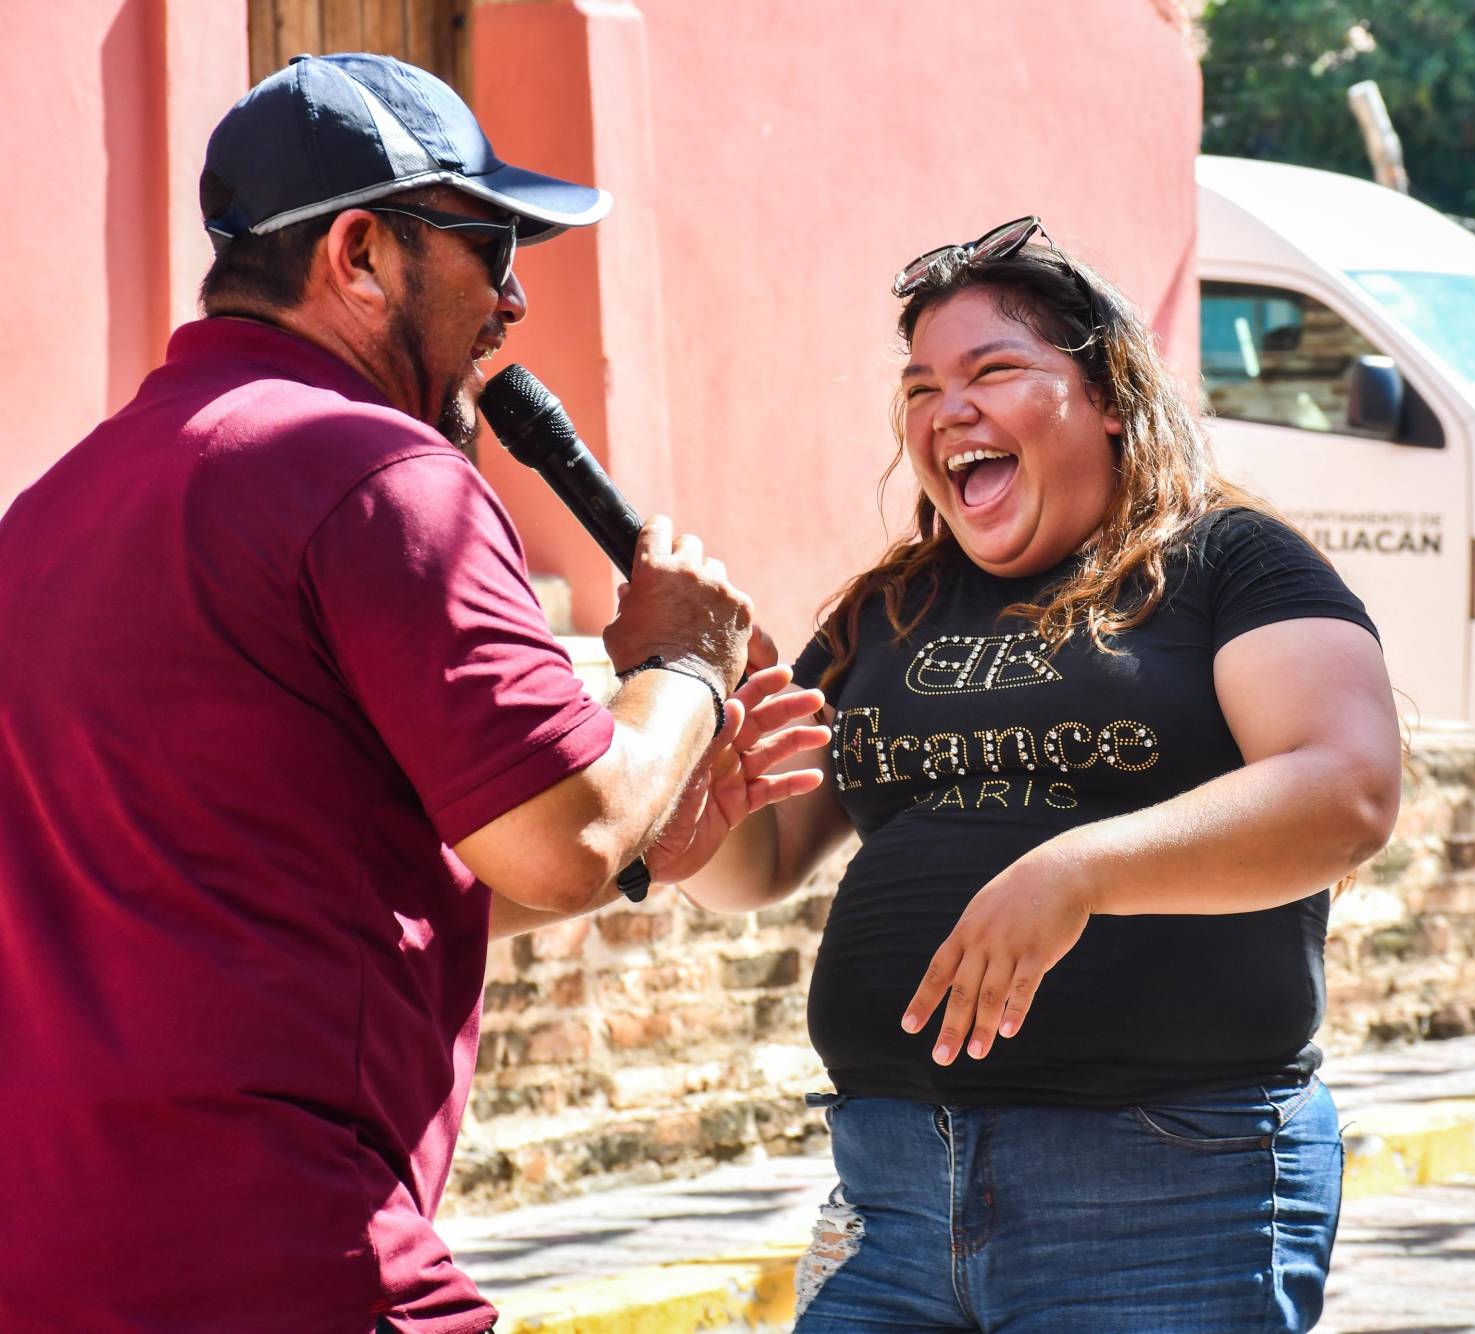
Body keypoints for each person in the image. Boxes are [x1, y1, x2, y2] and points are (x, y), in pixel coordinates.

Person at [0, 54, 825, 1333]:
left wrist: (648, 852)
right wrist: (684, 668)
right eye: (487, 243)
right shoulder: (381, 470)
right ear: (360, 251)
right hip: (287, 1256)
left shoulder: (51, 508)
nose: (513, 296)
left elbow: (288, 892)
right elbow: (567, 840)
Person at [676, 219, 1403, 1331]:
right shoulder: (888, 608)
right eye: (919, 386)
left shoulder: (1228, 563)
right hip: (892, 1193)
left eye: (992, 370)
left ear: (1108, 392)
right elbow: (761, 861)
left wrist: (1077, 870)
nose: (944, 409)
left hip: (1162, 1195)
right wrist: (706, 792)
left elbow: (1343, 788)